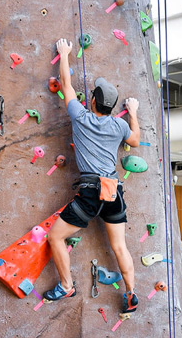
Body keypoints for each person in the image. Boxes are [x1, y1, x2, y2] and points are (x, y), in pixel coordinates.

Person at [43, 38, 142, 314]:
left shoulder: (81, 116)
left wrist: (64, 54)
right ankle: (132, 294)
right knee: (119, 246)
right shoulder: (119, 125)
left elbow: (66, 86)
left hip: (90, 191)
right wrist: (133, 113)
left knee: (55, 238)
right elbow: (134, 140)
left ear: (94, 101)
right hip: (112, 190)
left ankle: (66, 285)